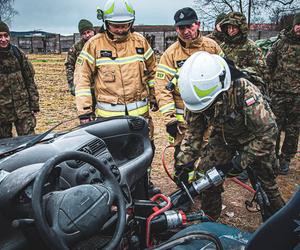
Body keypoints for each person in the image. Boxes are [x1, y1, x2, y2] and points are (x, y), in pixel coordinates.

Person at [175, 51, 284, 221]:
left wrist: (238, 162)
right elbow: (194, 133)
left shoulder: (245, 91)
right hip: (225, 137)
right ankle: (209, 221)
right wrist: (184, 164)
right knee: (206, 177)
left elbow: (268, 134)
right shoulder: (197, 96)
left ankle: (280, 227)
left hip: (255, 140)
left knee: (267, 187)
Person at [74, 0, 159, 195]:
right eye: (116, 25)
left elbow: (153, 71)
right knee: (112, 158)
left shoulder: (140, 42)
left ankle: (144, 185)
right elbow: (81, 78)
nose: (121, 29)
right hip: (109, 118)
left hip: (140, 117)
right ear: (105, 22)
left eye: (125, 25)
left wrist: (155, 96)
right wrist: (85, 111)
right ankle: (117, 192)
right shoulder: (94, 45)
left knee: (144, 152)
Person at [155, 7, 223, 175]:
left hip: (211, 116)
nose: (186, 31)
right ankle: (184, 188)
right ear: (176, 28)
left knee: (209, 156)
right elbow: (162, 87)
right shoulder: (170, 54)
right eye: (181, 28)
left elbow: (225, 76)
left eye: (189, 26)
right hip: (184, 121)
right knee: (184, 159)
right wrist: (170, 119)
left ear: (197, 25)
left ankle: (203, 186)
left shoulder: (212, 47)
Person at [266, 12, 300, 175]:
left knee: (293, 129)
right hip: (278, 94)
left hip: (298, 96)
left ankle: (285, 160)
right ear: (294, 25)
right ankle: (272, 158)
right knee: (274, 127)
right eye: (298, 24)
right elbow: (268, 64)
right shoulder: (280, 43)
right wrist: (272, 83)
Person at [0, 21, 39, 139]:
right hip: (2, 112)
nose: (3, 39)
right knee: (4, 148)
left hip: (23, 109)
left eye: (6, 36)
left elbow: (30, 81)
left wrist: (34, 103)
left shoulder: (18, 54)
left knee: (29, 143)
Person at [219, 12, 267, 94]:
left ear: (241, 28)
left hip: (246, 87)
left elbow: (260, 67)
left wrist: (240, 71)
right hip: (226, 87)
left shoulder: (251, 46)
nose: (231, 30)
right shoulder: (223, 46)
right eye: (229, 27)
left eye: (234, 28)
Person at [65, 19, 95, 96]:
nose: (87, 35)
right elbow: (69, 66)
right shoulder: (76, 48)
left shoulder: (101, 43)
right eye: (84, 33)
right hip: (85, 86)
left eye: (89, 32)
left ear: (93, 31)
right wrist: (72, 85)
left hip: (102, 86)